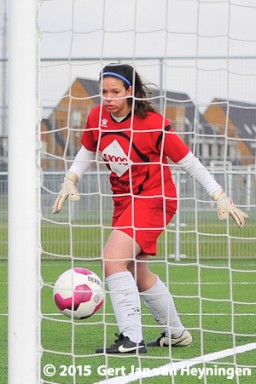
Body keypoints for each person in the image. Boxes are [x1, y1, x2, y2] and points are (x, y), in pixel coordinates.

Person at [52, 63, 248, 354]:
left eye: (115, 92)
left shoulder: (153, 123)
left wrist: (219, 195)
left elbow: (188, 162)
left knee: (112, 259)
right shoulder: (97, 117)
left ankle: (131, 339)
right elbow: (88, 151)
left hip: (155, 199)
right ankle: (176, 333)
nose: (108, 97)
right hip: (124, 202)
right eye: (104, 91)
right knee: (138, 276)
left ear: (130, 92)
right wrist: (71, 177)